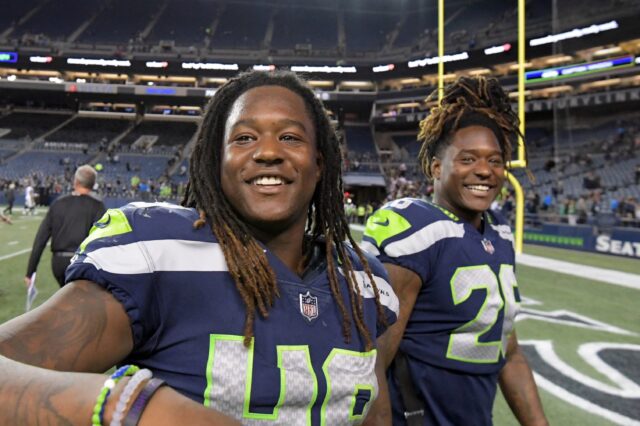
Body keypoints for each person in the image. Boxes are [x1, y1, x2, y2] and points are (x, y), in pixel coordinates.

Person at [0, 71, 398, 425]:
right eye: (244, 137)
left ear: (320, 163)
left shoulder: (361, 280)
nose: (269, 152)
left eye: (290, 137)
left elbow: (375, 412)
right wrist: (130, 407)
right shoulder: (161, 253)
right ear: (216, 161)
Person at [362, 76, 548, 425]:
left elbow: (507, 350)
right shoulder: (416, 230)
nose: (484, 170)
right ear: (436, 167)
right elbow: (371, 360)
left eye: (495, 161)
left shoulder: (499, 231)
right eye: (468, 158)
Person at [24, 165, 106, 287]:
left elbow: (40, 239)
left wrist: (30, 272)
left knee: (68, 298)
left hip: (59, 263)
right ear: (93, 184)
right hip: (83, 263)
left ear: (75, 181)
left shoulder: (58, 203)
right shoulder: (98, 206)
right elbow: (104, 241)